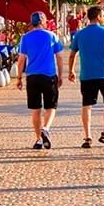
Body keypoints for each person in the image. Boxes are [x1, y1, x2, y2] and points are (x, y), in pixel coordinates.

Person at [69, 5, 104, 147]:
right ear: (98, 17)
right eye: (102, 15)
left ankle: (87, 137)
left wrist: (71, 71)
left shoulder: (80, 34)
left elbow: (72, 55)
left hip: (87, 75)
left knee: (87, 105)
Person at [15, 11, 63, 150]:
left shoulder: (25, 38)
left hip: (32, 77)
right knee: (51, 107)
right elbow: (59, 57)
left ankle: (38, 140)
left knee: (35, 109)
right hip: (49, 76)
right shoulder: (52, 36)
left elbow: (21, 60)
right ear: (43, 21)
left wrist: (19, 78)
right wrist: (60, 75)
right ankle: (46, 128)